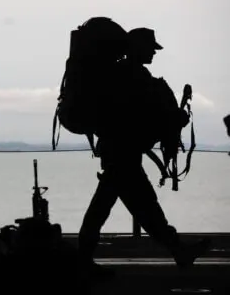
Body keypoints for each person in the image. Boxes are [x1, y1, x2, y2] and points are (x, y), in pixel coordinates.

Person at [78, 27, 211, 277]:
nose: (153, 52)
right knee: (137, 207)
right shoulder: (132, 75)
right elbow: (143, 114)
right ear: (137, 48)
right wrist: (176, 118)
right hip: (122, 152)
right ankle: (177, 250)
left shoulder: (124, 74)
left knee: (126, 207)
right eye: (150, 48)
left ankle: (177, 250)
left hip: (120, 151)